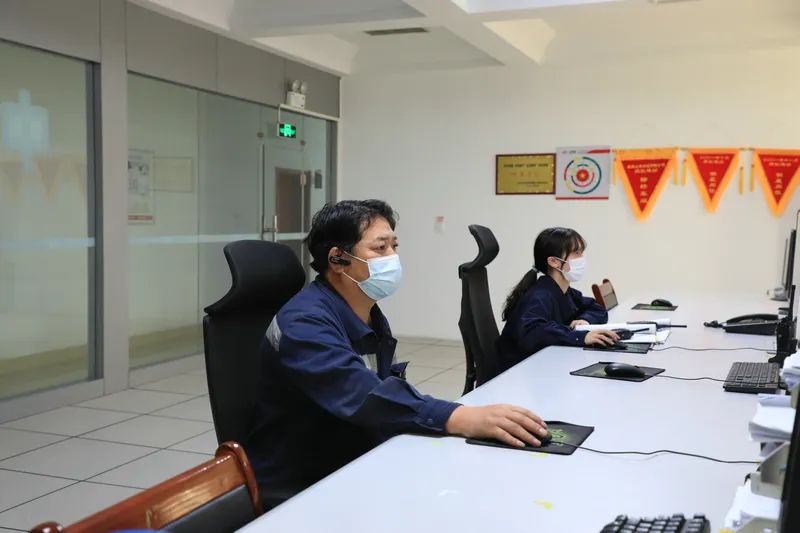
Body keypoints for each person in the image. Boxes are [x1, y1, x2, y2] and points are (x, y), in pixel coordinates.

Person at [246, 199, 549, 507]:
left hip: (354, 451)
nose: (392, 257)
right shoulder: (304, 322)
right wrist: (458, 416)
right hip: (305, 482)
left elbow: (383, 391)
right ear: (337, 259)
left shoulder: (367, 313)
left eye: (394, 246)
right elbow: (364, 395)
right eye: (380, 248)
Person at [496, 227, 617, 375]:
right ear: (554, 261)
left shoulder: (565, 291)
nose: (582, 258)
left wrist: (584, 320)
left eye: (582, 252)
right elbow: (534, 330)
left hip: (543, 367)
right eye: (576, 253)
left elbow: (596, 308)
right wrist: (581, 337)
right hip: (518, 375)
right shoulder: (539, 295)